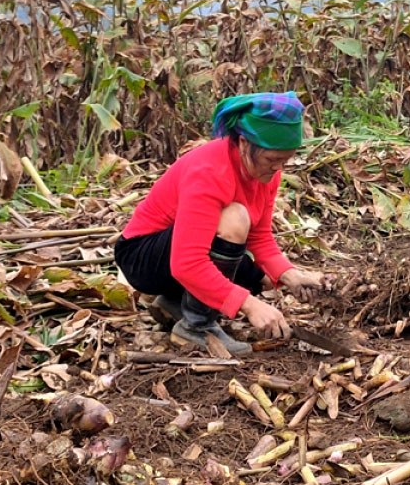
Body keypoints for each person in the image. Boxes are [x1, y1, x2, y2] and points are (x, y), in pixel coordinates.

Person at [114, 91, 327, 355]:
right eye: (272, 159)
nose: (277, 168)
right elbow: (187, 263)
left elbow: (259, 236)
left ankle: (173, 302)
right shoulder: (209, 172)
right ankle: (196, 326)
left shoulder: (266, 173)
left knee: (260, 279)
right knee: (235, 217)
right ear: (243, 143)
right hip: (142, 257)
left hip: (178, 255)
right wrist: (249, 305)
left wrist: (290, 275)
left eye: (286, 159)